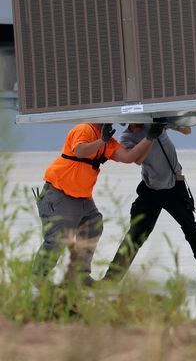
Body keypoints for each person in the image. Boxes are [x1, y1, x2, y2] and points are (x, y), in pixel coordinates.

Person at [33, 122, 161, 285]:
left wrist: (149, 138)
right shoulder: (84, 129)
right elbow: (80, 151)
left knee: (93, 227)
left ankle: (80, 276)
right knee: (58, 238)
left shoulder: (108, 140)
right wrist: (102, 141)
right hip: (59, 194)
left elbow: (128, 158)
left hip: (83, 198)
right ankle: (39, 278)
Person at [103, 123, 196, 282]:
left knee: (191, 229)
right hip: (151, 189)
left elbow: (187, 130)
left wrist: (170, 123)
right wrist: (150, 137)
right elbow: (136, 160)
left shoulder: (155, 122)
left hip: (174, 187)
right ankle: (111, 278)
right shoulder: (127, 137)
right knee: (136, 234)